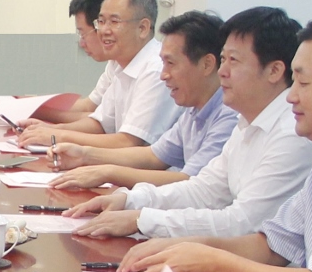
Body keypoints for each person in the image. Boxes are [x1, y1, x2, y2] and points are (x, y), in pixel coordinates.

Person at [118, 10, 312, 272]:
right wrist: (185, 247)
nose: (291, 97)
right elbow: (272, 245)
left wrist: (211, 261)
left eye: (303, 83)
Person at [64, 7, 312, 238]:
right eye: (223, 59)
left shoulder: (290, 135)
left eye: (233, 61)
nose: (222, 71)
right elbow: (204, 190)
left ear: (274, 71)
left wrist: (143, 219)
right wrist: (131, 200)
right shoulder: (246, 123)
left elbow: (242, 223)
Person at [50, 10, 239, 190]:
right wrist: (84, 155)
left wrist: (108, 172)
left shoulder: (229, 116)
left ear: (207, 64)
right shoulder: (194, 109)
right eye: (101, 21)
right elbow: (153, 156)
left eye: (171, 63)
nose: (163, 75)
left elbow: (192, 182)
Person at [19, 0, 181, 149]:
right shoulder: (122, 65)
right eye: (101, 22)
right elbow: (100, 124)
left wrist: (56, 136)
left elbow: (128, 142)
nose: (104, 30)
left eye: (114, 22)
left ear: (143, 28)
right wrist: (53, 129)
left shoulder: (156, 70)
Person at [32, 0, 115, 124]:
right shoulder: (115, 65)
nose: (82, 43)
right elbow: (89, 106)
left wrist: (39, 114)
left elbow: (105, 123)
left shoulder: (150, 69)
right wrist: (31, 105)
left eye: (83, 34)